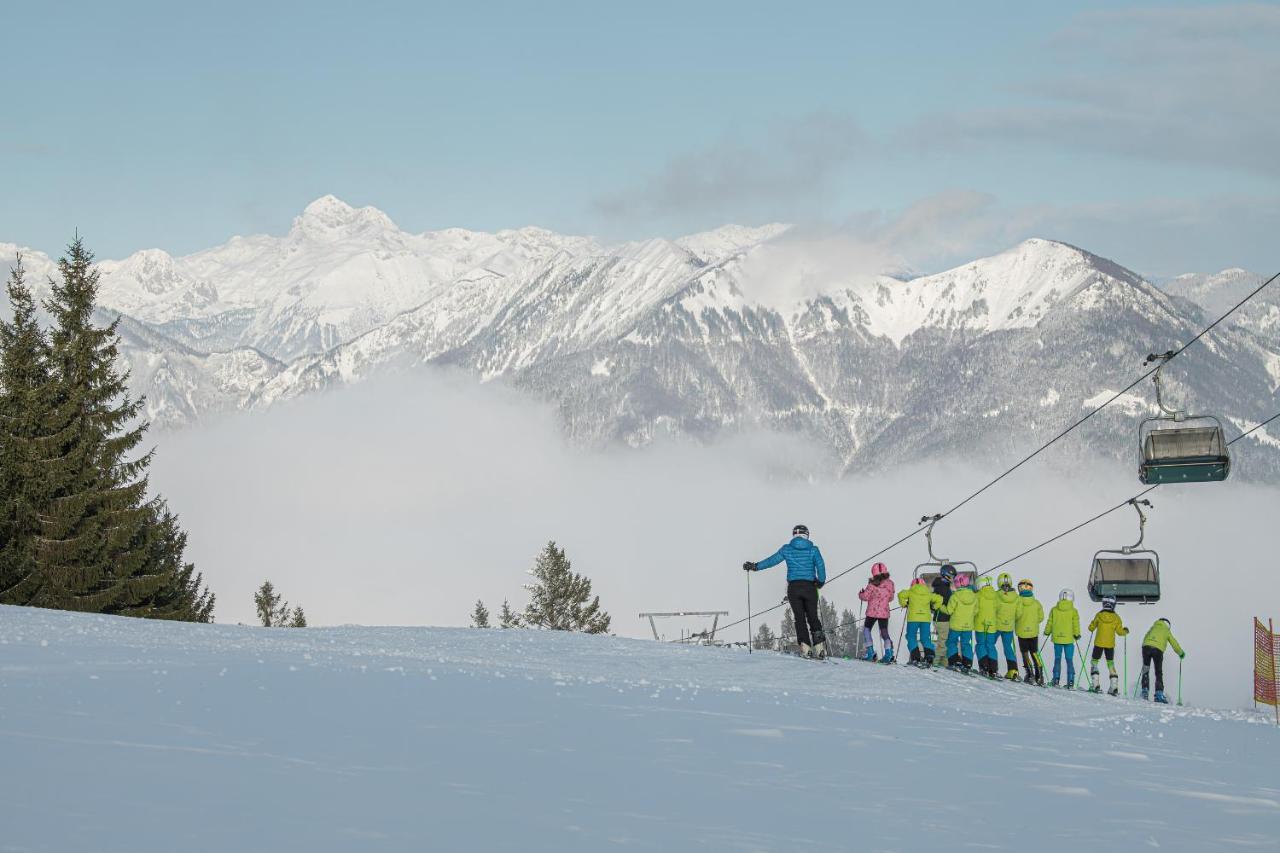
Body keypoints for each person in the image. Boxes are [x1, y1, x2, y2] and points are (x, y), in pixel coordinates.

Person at [745, 524, 827, 658]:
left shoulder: (787, 549)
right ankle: (819, 647)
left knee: (799, 618)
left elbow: (772, 560)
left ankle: (806, 648)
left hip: (794, 588)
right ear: (807, 535)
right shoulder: (813, 550)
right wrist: (821, 581)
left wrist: (755, 566)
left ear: (794, 535)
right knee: (813, 617)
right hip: (810, 587)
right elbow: (821, 566)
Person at [1086, 596, 1129, 696]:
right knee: (1110, 663)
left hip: (1098, 643)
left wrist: (1092, 626)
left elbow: (1091, 628)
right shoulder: (1116, 617)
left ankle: (1095, 684)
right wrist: (1125, 631)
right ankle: (1114, 687)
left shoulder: (1099, 615)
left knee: (1094, 662)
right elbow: (1120, 632)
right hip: (1110, 645)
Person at [898, 577, 943, 667]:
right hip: (925, 619)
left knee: (911, 637)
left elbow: (900, 594)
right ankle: (929, 656)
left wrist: (904, 604)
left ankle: (915, 657)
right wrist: (933, 607)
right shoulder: (928, 593)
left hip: (913, 619)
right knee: (925, 638)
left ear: (912, 585)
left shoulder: (910, 592)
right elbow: (940, 599)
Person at [858, 563, 896, 663]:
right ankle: (889, 653)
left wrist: (860, 594)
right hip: (884, 612)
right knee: (884, 631)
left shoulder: (871, 585)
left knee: (867, 629)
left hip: (872, 612)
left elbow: (865, 597)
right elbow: (891, 598)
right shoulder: (890, 584)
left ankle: (870, 653)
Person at [1140, 617, 1184, 704]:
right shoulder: (1166, 630)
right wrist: (1180, 653)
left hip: (1146, 647)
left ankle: (1144, 691)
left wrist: (1145, 646)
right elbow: (1173, 642)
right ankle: (1159, 694)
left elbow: (1145, 636)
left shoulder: (1153, 627)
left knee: (1146, 669)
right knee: (1158, 672)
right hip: (1158, 649)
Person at [1044, 589, 1081, 688]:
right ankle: (1071, 681)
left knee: (1057, 659)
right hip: (1069, 640)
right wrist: (1077, 634)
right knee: (1069, 660)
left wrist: (1047, 631)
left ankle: (1056, 680)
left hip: (1057, 639)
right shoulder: (1074, 611)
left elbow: (1050, 622)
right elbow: (1075, 624)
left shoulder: (1054, 610)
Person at [942, 574, 977, 672]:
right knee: (966, 644)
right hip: (968, 626)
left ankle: (954, 661)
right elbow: (976, 611)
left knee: (951, 642)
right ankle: (968, 663)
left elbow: (949, 610)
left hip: (955, 625)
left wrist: (940, 607)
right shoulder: (974, 596)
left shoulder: (955, 596)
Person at [1014, 578, 1046, 686]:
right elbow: (1041, 617)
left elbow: (1017, 615)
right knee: (1034, 652)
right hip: (1033, 632)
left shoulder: (1018, 601)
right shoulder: (1036, 603)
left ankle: (1030, 674)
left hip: (1022, 632)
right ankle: (1040, 675)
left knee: (1025, 653)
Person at [994, 573, 1021, 681]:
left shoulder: (996, 595)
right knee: (1008, 647)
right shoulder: (1016, 597)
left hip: (997, 625)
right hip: (1009, 626)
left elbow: (993, 608)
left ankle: (992, 668)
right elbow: (1019, 613)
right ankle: (1013, 670)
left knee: (990, 645)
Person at [974, 577, 1000, 679]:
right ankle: (993, 669)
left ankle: (984, 667)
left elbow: (975, 610)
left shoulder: (978, 595)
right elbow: (997, 609)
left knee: (981, 644)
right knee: (990, 645)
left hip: (980, 624)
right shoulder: (996, 596)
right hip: (992, 625)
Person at [931, 564, 957, 668]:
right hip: (942, 618)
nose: (952, 579)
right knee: (943, 641)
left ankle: (944, 662)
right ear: (945, 576)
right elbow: (944, 602)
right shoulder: (942, 588)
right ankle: (936, 661)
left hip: (942, 618)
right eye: (951, 577)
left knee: (944, 640)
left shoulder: (942, 586)